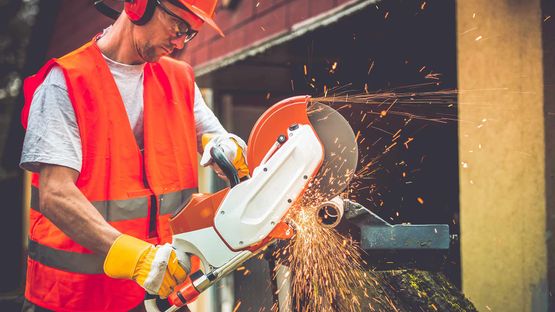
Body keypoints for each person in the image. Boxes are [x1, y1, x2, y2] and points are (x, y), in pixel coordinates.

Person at [19, 0, 248, 311]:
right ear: (140, 6)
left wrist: (226, 147)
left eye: (190, 34)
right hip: (74, 300)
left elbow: (212, 136)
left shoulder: (180, 79)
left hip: (161, 295)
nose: (180, 42)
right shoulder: (66, 82)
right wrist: (136, 258)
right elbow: (56, 194)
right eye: (178, 27)